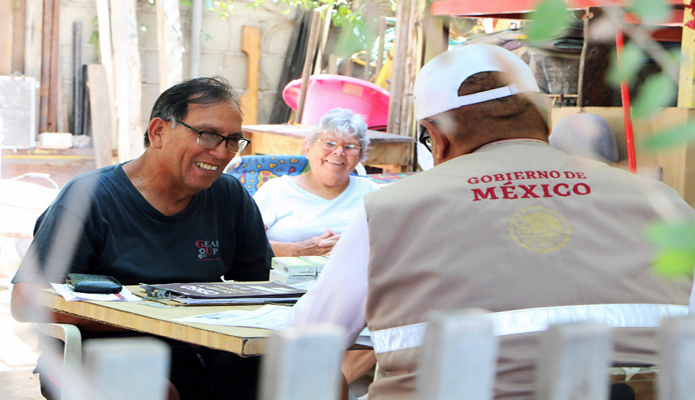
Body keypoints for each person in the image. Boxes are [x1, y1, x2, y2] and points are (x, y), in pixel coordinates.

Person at [289, 44, 694, 399]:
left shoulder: (389, 210)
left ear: (437, 137)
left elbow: (309, 345)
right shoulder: (662, 202)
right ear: (545, 118)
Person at [11, 77, 273, 400]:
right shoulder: (90, 197)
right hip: (95, 355)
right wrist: (160, 317)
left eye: (233, 141)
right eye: (208, 135)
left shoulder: (230, 196)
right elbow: (26, 302)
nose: (220, 153)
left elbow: (258, 289)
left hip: (204, 350)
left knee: (320, 375)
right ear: (158, 132)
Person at [253, 108, 379, 257]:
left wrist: (355, 246)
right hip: (282, 278)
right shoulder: (276, 190)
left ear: (360, 155)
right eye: (329, 143)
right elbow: (242, 245)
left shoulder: (372, 194)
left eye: (350, 147)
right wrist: (297, 250)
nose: (339, 152)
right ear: (308, 148)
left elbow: (394, 244)